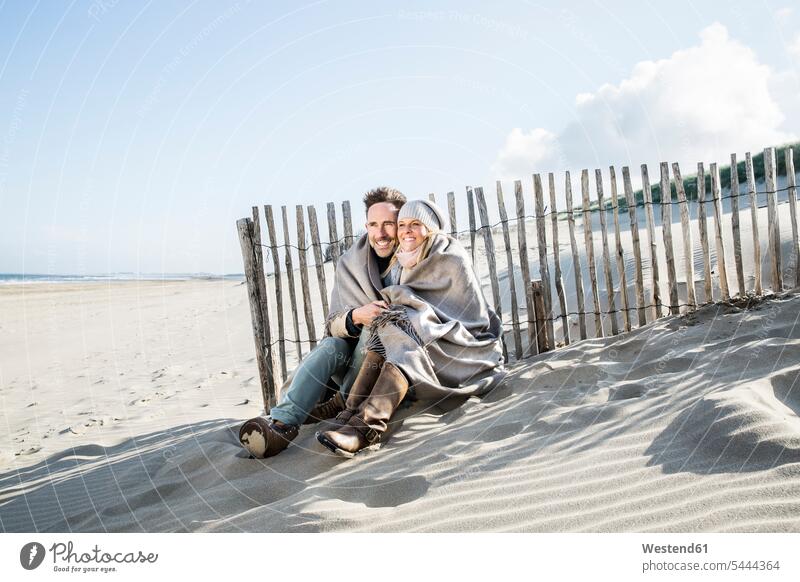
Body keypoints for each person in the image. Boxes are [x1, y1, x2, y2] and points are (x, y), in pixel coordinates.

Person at [316, 199, 507, 457]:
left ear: (430, 228)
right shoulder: (405, 259)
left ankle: (367, 427)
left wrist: (414, 316)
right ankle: (351, 412)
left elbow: (471, 317)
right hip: (425, 337)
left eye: (415, 224)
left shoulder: (449, 256)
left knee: (402, 327)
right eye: (402, 224)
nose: (406, 230)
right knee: (388, 323)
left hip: (464, 342)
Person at [238, 187, 406, 459]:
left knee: (379, 327)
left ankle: (342, 406)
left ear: (400, 225)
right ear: (366, 226)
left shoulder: (413, 260)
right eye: (374, 224)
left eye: (389, 224)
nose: (381, 233)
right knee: (332, 345)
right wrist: (354, 317)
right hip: (350, 361)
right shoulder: (351, 263)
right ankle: (281, 426)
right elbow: (332, 324)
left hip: (387, 366)